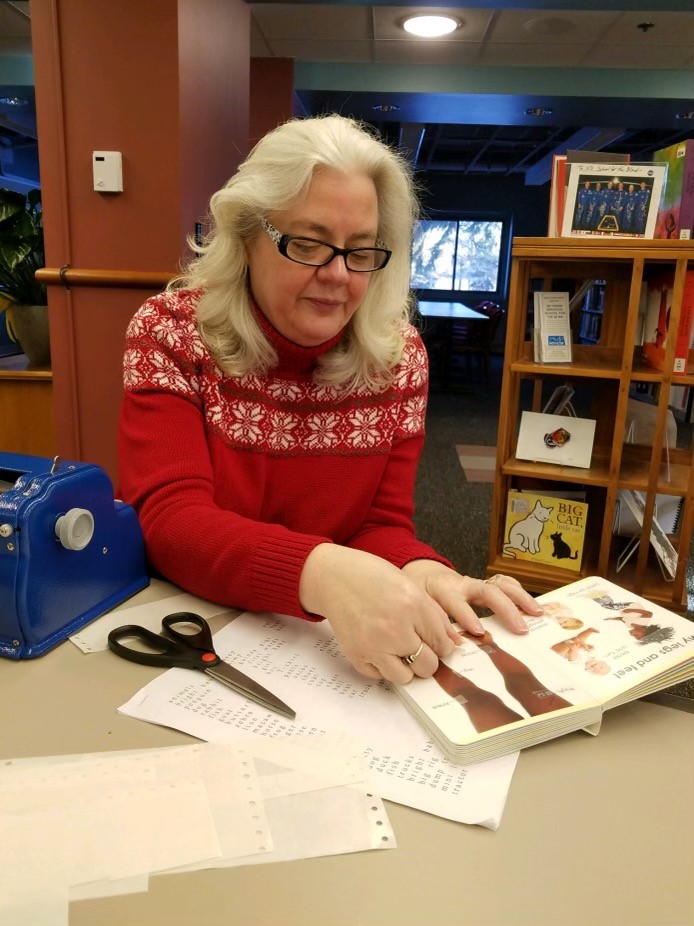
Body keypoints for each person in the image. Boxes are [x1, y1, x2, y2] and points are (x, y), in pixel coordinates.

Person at [117, 114, 540, 686]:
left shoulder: (398, 358)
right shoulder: (171, 332)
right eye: (310, 244)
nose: (339, 275)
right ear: (247, 236)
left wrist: (421, 571)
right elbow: (169, 522)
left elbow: (377, 526)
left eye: (361, 250)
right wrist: (325, 574)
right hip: (187, 632)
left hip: (316, 648)